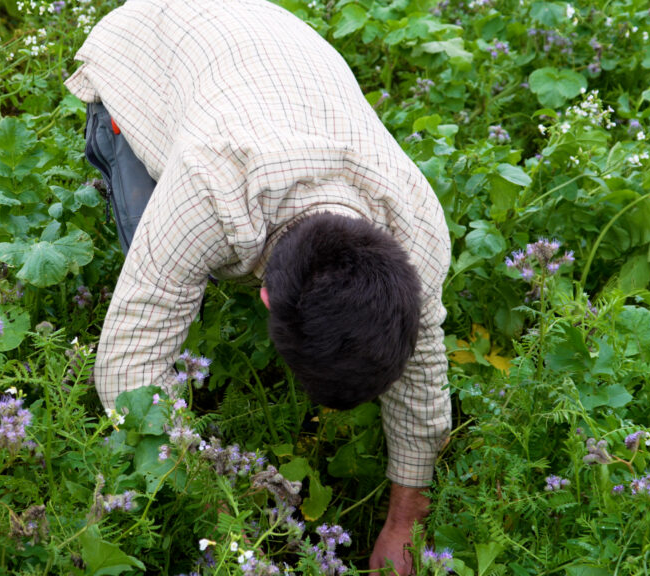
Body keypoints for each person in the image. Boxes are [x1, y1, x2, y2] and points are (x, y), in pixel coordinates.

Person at [65, 0, 451, 572]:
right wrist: (216, 485)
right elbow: (128, 373)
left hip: (273, 50)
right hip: (154, 37)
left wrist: (405, 521)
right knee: (155, 268)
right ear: (267, 295)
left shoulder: (416, 226)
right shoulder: (206, 186)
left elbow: (422, 366)